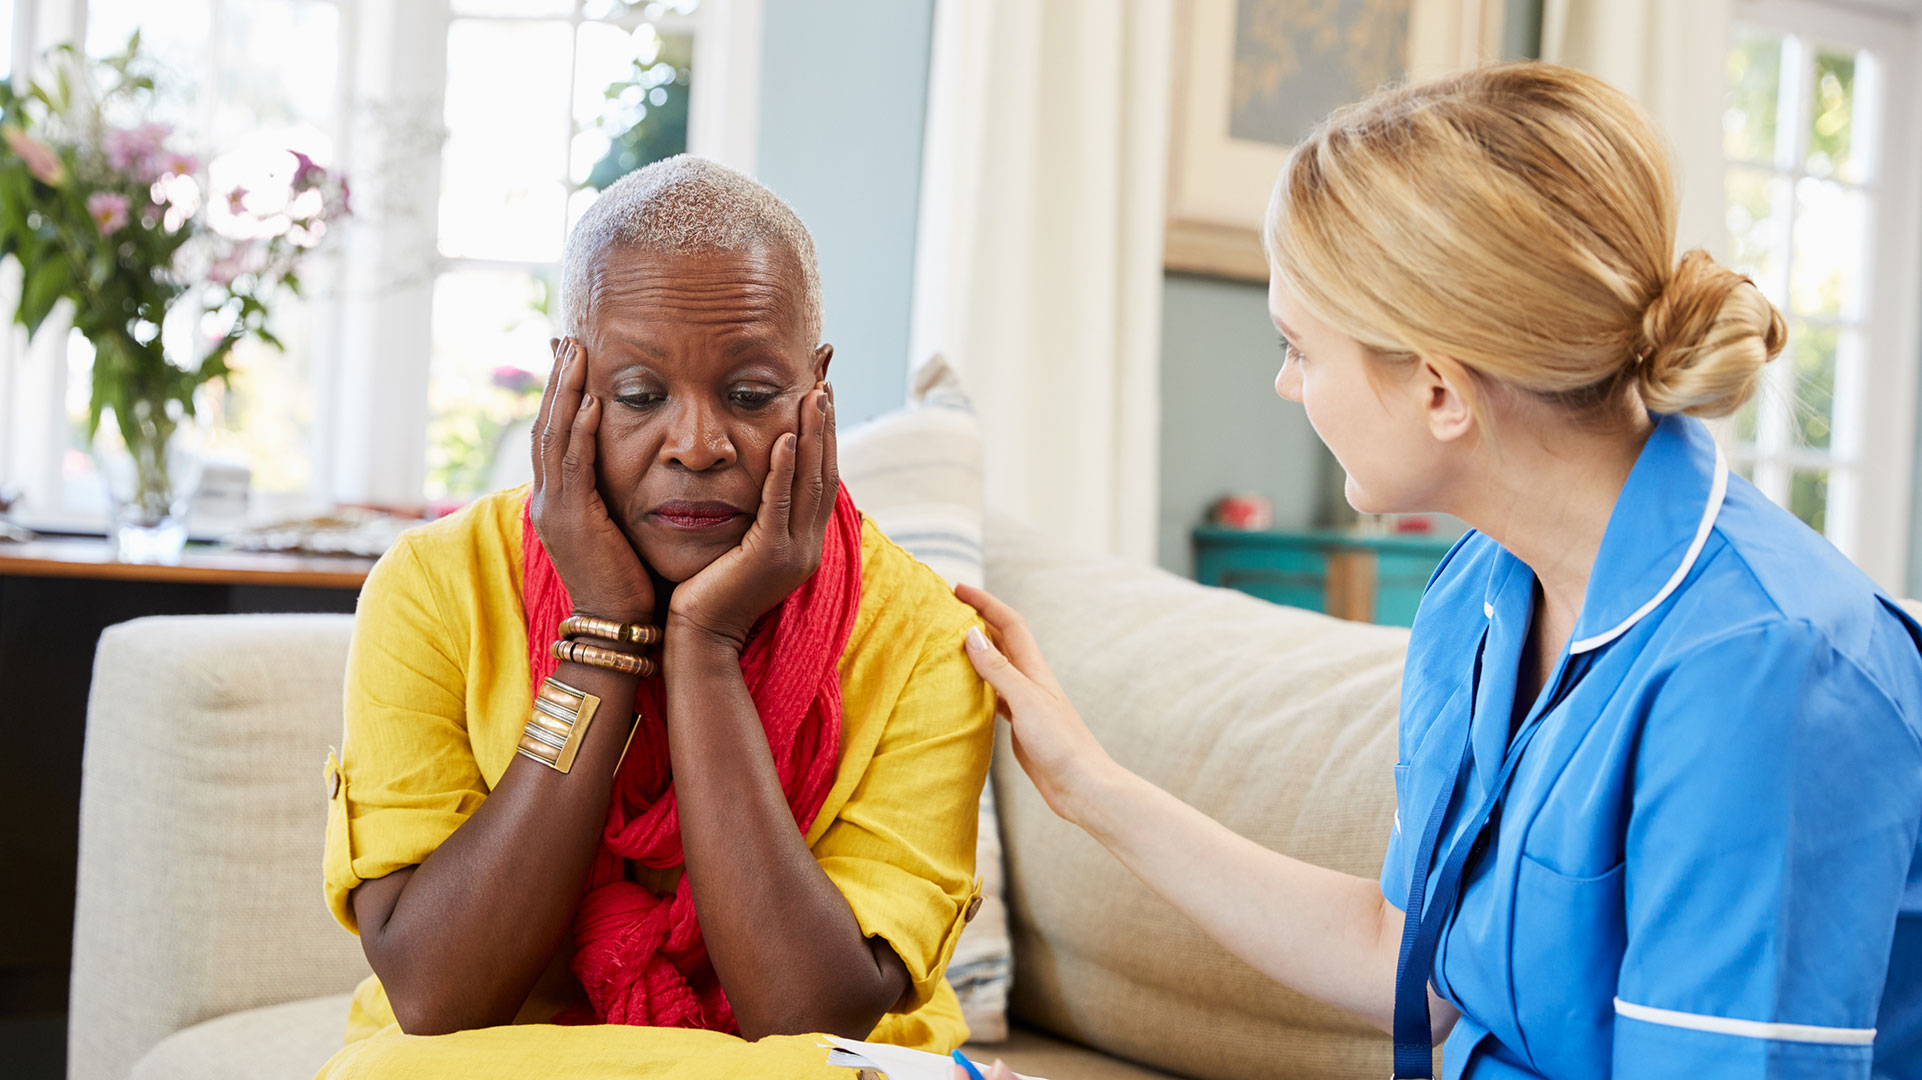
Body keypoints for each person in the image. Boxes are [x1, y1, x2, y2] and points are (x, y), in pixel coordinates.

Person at [955, 62, 1922, 1080]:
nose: (1285, 385)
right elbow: (1402, 957)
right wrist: (1089, 786)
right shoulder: (1479, 595)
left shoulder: (1765, 669)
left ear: (1437, 390)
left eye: (1297, 347)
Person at [317, 156, 995, 1079]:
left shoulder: (923, 636)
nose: (697, 445)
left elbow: (805, 1017)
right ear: (571, 386)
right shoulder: (435, 585)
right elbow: (438, 996)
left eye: (752, 396)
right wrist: (602, 637)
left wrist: (706, 650)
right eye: (640, 396)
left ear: (817, 388)